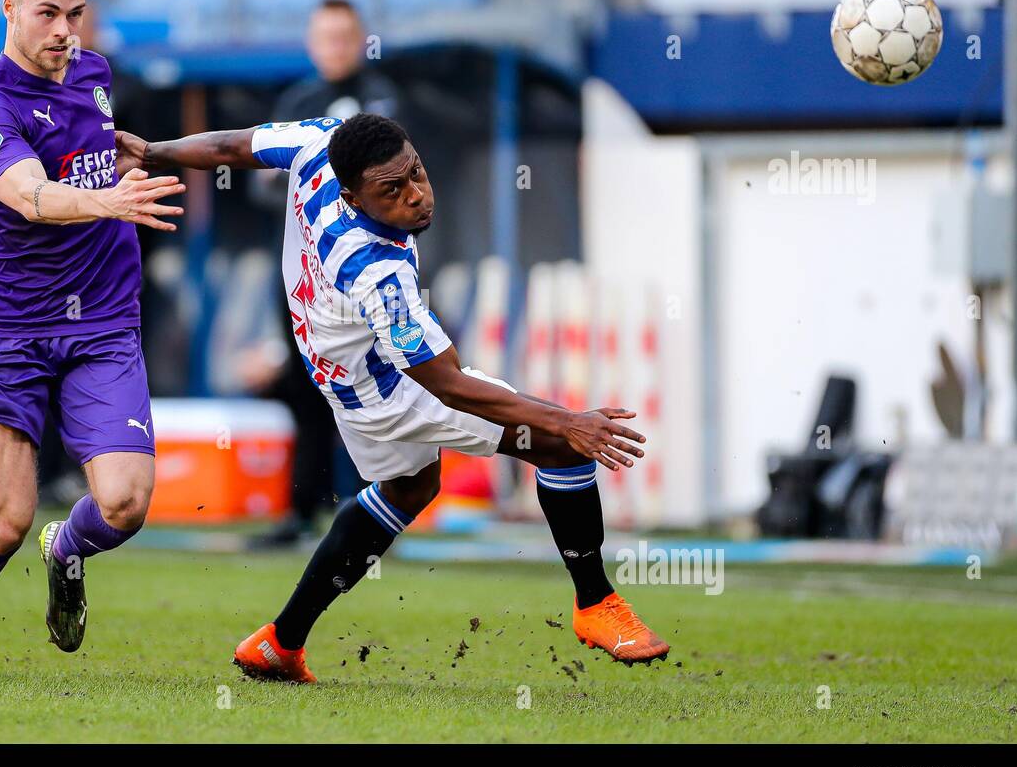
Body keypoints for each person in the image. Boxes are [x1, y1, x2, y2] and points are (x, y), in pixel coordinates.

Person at [113, 113, 670, 681]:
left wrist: (154, 150)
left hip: (336, 373)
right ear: (353, 195)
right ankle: (596, 604)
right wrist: (568, 421)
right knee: (560, 447)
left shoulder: (319, 141)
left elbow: (232, 145)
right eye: (392, 190)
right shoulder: (375, 270)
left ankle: (280, 642)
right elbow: (446, 384)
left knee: (411, 487)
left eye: (416, 174)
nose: (417, 197)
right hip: (390, 388)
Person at [0, 0, 185, 678]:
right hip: (8, 330)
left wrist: (132, 161)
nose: (65, 31)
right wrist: (110, 199)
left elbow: (87, 156)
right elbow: (29, 195)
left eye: (76, 13)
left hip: (101, 322)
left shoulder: (94, 74)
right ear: (9, 9)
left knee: (126, 505)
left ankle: (65, 549)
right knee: (2, 523)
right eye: (47, 14)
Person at [250, 0, 403, 548]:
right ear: (312, 42)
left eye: (345, 36)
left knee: (369, 389)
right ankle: (302, 510)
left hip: (360, 277)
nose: (336, 47)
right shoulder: (298, 100)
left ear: (361, 39)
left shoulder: (381, 99)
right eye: (326, 37)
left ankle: (376, 510)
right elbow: (260, 180)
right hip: (300, 277)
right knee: (304, 389)